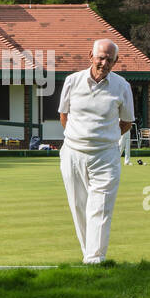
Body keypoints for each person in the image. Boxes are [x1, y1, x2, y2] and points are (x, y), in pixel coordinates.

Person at [58, 39, 134, 265]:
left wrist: (104, 138)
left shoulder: (122, 86)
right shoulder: (72, 81)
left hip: (106, 155)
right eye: (101, 57)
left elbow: (126, 122)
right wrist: (81, 137)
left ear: (116, 61)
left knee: (100, 209)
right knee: (79, 207)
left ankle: (95, 260)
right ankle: (89, 256)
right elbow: (64, 116)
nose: (104, 63)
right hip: (73, 153)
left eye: (109, 59)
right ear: (90, 55)